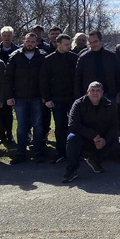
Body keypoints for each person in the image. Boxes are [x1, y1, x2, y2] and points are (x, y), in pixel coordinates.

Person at [61, 82, 120, 183]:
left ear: (102, 93)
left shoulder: (109, 105)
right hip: (83, 136)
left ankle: (95, 159)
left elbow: (114, 126)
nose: (95, 93)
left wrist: (104, 140)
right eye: (92, 90)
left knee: (115, 145)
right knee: (71, 139)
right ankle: (72, 169)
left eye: (98, 90)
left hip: (100, 138)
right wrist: (93, 136)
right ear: (87, 92)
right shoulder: (78, 104)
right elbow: (73, 125)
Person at [6, 32, 47, 164]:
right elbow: (8, 78)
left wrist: (45, 95)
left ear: (37, 43)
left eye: (33, 42)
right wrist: (9, 95)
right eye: (28, 41)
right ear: (23, 41)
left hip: (37, 97)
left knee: (38, 126)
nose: (30, 44)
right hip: (19, 97)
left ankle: (38, 153)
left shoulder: (42, 57)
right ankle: (21, 153)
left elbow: (46, 79)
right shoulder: (15, 57)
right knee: (22, 126)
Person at [40, 33, 78, 163]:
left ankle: (75, 151)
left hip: (73, 98)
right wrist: (47, 97)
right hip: (56, 98)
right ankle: (61, 152)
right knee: (60, 126)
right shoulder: (49, 60)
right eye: (66, 44)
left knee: (75, 125)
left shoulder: (75, 58)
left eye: (69, 44)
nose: (69, 46)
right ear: (59, 44)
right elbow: (43, 80)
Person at [74, 30, 120, 101]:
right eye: (90, 42)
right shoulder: (83, 57)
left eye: (95, 41)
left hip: (109, 94)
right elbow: (78, 79)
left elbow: (119, 76)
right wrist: (78, 97)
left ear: (101, 40)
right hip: (89, 96)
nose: (93, 45)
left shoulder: (111, 56)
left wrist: (119, 93)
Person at [0, 26, 18, 146]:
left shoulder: (18, 50)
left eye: (9, 35)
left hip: (13, 85)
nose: (7, 37)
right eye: (5, 35)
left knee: (9, 112)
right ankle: (1, 134)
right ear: (1, 37)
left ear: (13, 36)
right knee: (0, 111)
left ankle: (9, 134)